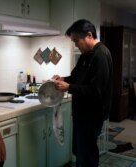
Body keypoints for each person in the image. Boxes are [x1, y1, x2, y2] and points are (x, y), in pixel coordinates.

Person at [53, 19, 113, 167]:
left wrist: (68, 87)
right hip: (82, 114)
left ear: (89, 35)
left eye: (76, 41)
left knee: (87, 156)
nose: (76, 45)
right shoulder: (87, 54)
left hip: (92, 115)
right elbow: (76, 77)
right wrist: (63, 79)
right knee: (80, 152)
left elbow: (95, 91)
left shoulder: (100, 55)